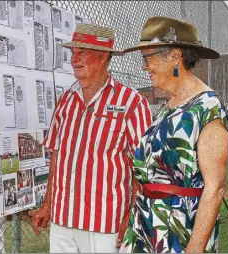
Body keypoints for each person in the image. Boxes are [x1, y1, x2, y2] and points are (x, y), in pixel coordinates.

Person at [29, 23, 152, 253]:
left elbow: (143, 166)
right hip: (63, 220)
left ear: (103, 56)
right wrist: (47, 205)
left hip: (106, 224)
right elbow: (57, 154)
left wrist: (133, 215)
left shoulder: (131, 102)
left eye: (82, 52)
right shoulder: (66, 100)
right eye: (73, 53)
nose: (75, 59)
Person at [119, 16, 228, 253]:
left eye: (147, 57)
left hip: (180, 233)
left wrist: (194, 249)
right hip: (146, 226)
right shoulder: (167, 107)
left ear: (174, 56)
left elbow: (215, 189)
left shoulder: (208, 109)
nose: (144, 66)